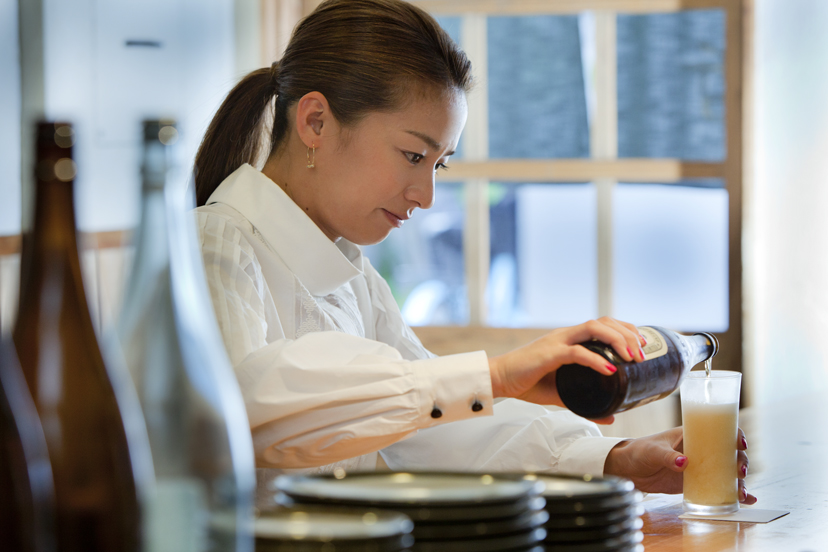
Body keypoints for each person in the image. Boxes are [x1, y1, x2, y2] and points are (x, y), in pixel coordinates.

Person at [192, 0, 756, 504]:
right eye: (414, 155)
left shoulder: (354, 276)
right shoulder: (212, 242)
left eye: (441, 164)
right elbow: (250, 408)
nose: (428, 195)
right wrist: (496, 375)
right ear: (315, 121)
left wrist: (614, 459)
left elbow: (426, 423)